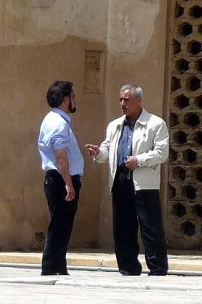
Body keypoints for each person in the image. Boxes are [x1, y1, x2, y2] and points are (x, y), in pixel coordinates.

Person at [85, 84, 169, 276]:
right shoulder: (115, 125)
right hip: (120, 180)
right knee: (123, 227)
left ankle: (157, 267)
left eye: (127, 100)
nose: (122, 104)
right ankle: (128, 267)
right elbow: (108, 149)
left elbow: (161, 153)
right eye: (121, 100)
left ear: (138, 100)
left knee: (150, 227)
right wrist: (98, 152)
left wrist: (138, 160)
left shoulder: (156, 124)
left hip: (143, 183)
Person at [37, 81, 84, 276]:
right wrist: (69, 184)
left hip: (58, 179)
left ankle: (58, 267)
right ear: (66, 99)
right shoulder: (57, 122)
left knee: (62, 226)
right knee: (58, 226)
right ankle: (50, 268)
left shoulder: (56, 119)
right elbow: (61, 157)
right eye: (72, 96)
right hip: (60, 180)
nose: (74, 100)